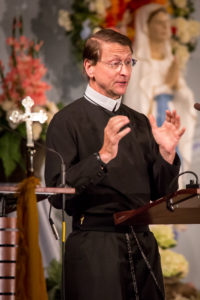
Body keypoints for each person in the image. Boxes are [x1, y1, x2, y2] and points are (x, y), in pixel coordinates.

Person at [45, 28, 185, 300]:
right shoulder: (66, 121)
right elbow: (58, 195)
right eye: (114, 63)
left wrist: (167, 156)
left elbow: (161, 195)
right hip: (95, 247)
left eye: (129, 62)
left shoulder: (141, 122)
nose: (124, 71)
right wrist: (102, 156)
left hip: (143, 245)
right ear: (90, 67)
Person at [123, 3, 197, 175]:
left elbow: (186, 98)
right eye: (159, 23)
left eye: (166, 22)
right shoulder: (137, 61)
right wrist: (166, 85)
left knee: (172, 171)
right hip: (150, 124)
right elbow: (135, 100)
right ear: (146, 26)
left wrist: (175, 85)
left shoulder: (170, 60)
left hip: (171, 121)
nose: (165, 27)